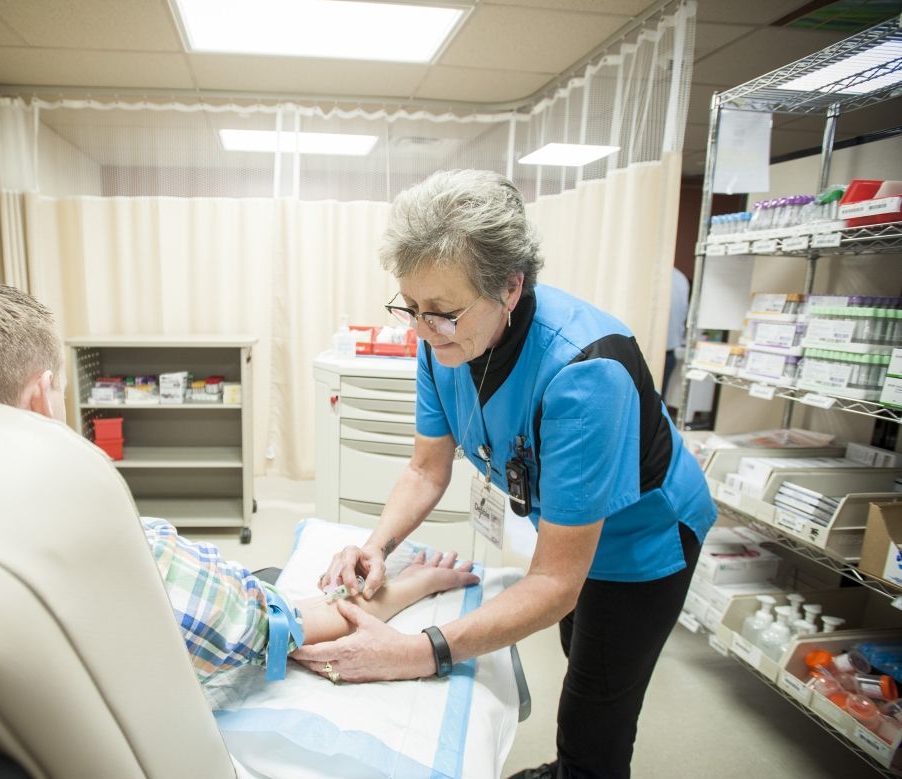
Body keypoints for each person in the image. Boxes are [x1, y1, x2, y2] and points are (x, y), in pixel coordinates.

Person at [291, 170, 716, 779]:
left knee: (599, 699)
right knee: (580, 650)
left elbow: (554, 583)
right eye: (410, 307)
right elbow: (424, 469)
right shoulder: (440, 341)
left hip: (642, 540)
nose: (421, 327)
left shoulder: (585, 372)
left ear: (510, 287)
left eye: (440, 311)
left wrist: (417, 654)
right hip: (567, 529)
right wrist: (375, 546)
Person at [0, 280, 479, 691]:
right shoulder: (98, 540)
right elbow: (277, 625)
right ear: (41, 396)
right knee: (280, 586)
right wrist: (403, 590)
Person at [663, 266, 690, 401]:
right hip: (670, 352)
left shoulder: (653, 275)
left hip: (647, 352)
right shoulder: (680, 277)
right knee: (657, 405)